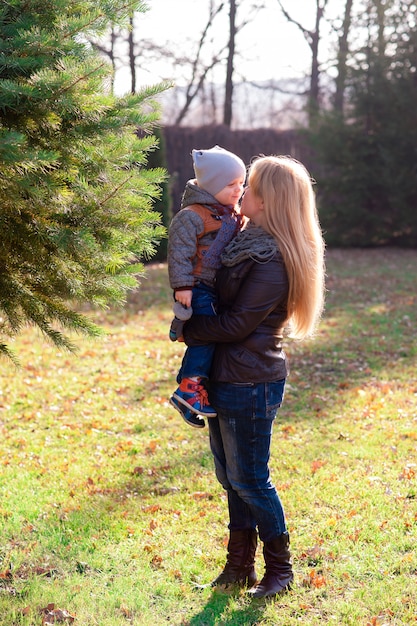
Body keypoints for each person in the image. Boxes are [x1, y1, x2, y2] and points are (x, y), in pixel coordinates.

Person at [183, 155, 325, 598]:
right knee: (231, 477)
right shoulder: (242, 241)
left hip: (251, 378)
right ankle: (238, 565)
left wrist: (187, 328)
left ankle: (280, 570)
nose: (242, 193)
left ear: (269, 201)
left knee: (250, 479)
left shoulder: (272, 259)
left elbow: (235, 325)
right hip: (225, 375)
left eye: (252, 188)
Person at [168, 145, 246, 429]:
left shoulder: (228, 212)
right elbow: (179, 252)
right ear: (212, 186)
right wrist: (183, 286)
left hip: (215, 286)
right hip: (198, 286)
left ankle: (190, 388)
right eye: (231, 184)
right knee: (206, 336)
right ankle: (188, 388)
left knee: (209, 336)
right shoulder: (193, 215)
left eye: (241, 183)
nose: (238, 189)